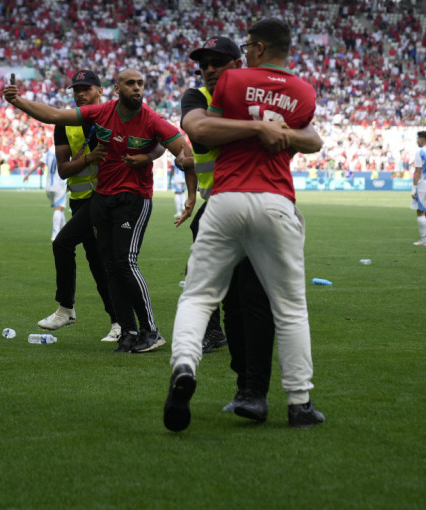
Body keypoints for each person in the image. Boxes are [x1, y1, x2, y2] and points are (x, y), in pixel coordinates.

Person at [163, 18, 326, 432]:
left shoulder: (231, 83)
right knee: (289, 309)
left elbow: (202, 130)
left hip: (226, 198)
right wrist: (271, 128)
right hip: (276, 200)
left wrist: (264, 127)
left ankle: (184, 364)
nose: (210, 69)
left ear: (252, 48)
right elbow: (313, 139)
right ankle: (299, 403)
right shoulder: (304, 91)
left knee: (198, 296)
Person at [3, 68, 198, 353]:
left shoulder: (152, 120)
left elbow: (185, 152)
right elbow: (54, 115)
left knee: (124, 263)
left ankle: (151, 331)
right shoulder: (101, 113)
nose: (137, 88)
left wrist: (191, 196)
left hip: (133, 199)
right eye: (130, 83)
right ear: (117, 89)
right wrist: (18, 102)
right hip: (101, 199)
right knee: (109, 266)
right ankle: (127, 331)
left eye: (140, 84)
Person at [180, 35, 279, 421]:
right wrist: (257, 128)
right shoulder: (196, 97)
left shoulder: (264, 94)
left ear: (239, 64)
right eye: (204, 63)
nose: (208, 69)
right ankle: (245, 386)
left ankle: (264, 391)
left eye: (218, 61)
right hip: (217, 207)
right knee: (233, 305)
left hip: (262, 204)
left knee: (257, 302)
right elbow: (201, 135)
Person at [35, 70, 164, 343]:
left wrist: (147, 156)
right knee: (102, 262)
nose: (80, 94)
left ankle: (86, 313)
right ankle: (118, 323)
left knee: (100, 261)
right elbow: (63, 171)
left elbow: (158, 139)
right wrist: (89, 158)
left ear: (101, 91)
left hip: (109, 199)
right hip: (82, 202)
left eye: (86, 89)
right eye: (76, 90)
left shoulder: (111, 117)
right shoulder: (67, 124)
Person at [23, 146, 67, 241]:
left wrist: (28, 174)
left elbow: (39, 163)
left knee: (60, 209)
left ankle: (65, 231)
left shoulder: (48, 154)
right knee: (59, 209)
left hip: (48, 187)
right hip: (58, 185)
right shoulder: (64, 152)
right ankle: (55, 234)